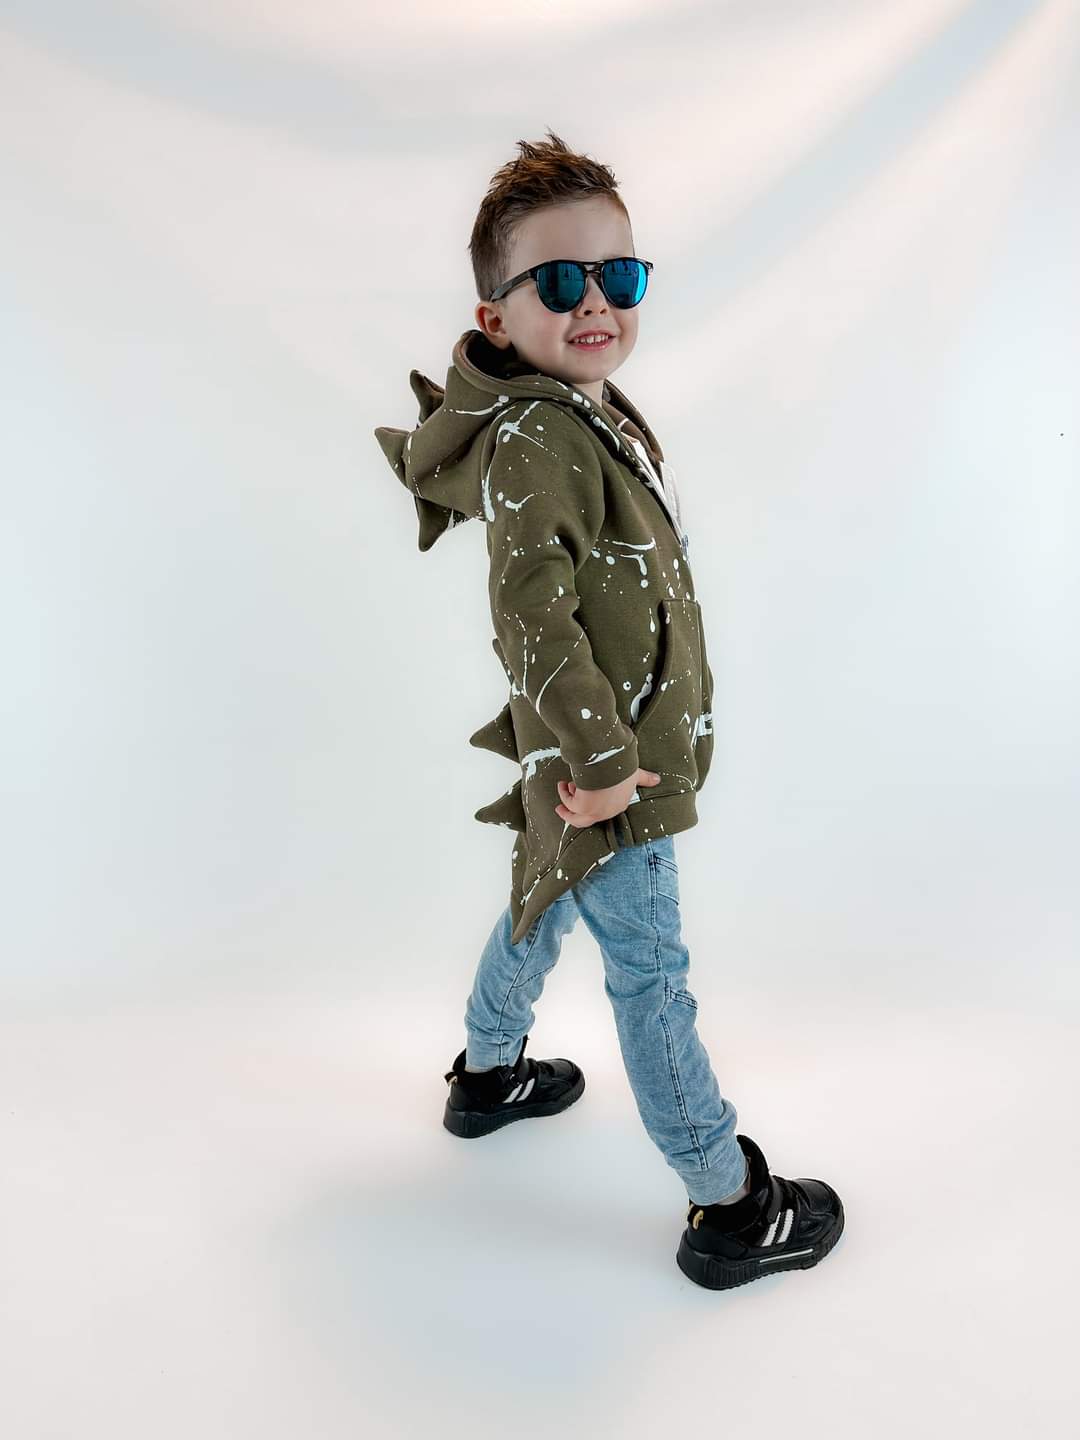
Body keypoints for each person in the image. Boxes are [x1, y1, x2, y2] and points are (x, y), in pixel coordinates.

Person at [374, 130, 844, 1290]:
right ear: (495, 317)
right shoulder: (540, 435)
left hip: (584, 758)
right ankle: (727, 1201)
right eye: (559, 281)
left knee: (541, 902)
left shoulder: (583, 408)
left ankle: (488, 1076)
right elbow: (531, 613)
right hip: (609, 767)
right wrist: (600, 761)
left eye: (619, 276)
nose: (596, 302)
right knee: (650, 976)